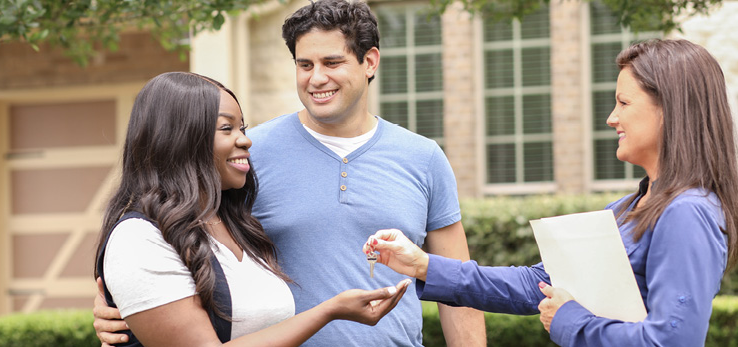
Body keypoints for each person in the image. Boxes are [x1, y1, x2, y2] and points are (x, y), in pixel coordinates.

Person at [94, 1, 485, 346]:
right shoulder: (245, 157)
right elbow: (166, 228)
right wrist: (121, 307)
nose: (316, 78)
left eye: (332, 62)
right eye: (304, 64)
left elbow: (457, 283)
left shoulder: (424, 157)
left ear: (370, 62)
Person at [363, 39, 738, 346]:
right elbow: (538, 283)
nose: (612, 118)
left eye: (624, 103)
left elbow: (671, 341)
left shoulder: (687, 212)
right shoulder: (631, 207)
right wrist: (422, 265)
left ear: (670, 110)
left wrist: (569, 320)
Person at [93, 71, 410, 347]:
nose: (245, 141)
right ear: (181, 139)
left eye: (242, 128)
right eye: (226, 128)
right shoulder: (138, 238)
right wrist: (329, 311)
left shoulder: (235, 224)